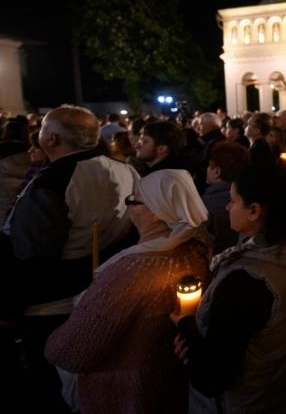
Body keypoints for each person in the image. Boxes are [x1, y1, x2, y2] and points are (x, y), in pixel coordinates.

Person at [1, 106, 139, 412]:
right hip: (103, 290)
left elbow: (34, 257)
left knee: (52, 391)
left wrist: (9, 305)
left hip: (50, 305)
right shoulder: (125, 169)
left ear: (50, 138)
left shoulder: (54, 182)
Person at [45, 170, 211, 414]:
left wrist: (49, 344)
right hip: (168, 386)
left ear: (156, 212)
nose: (129, 207)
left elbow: (73, 350)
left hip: (126, 393)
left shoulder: (136, 269)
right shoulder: (198, 251)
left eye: (134, 201)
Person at [173, 166, 286, 413]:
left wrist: (187, 325)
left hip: (239, 402)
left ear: (254, 211)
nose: (227, 207)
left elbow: (212, 376)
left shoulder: (247, 281)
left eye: (233, 201)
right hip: (281, 391)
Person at [202, 141, 250, 255]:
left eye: (209, 166)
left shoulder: (207, 204)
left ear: (217, 171)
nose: (207, 169)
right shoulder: (247, 200)